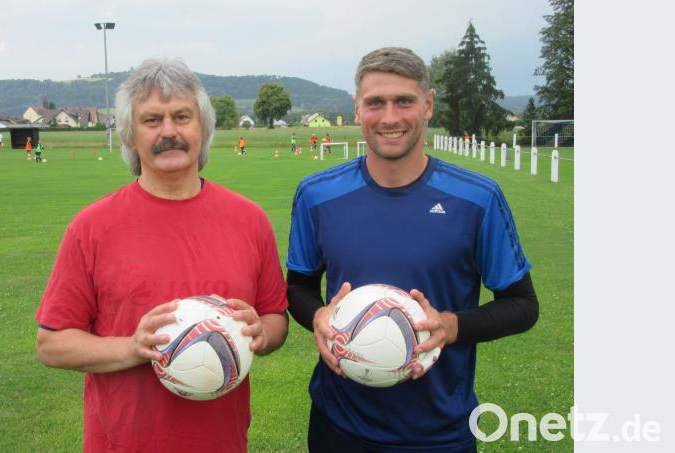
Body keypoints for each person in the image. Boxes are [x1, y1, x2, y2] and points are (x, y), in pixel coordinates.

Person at [286, 47, 538, 452]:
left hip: (439, 433)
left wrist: (451, 327)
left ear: (428, 105)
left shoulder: (478, 199)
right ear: (356, 109)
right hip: (338, 426)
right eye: (375, 103)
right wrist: (317, 314)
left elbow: (523, 305)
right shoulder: (317, 195)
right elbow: (297, 287)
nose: (389, 117)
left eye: (404, 100)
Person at [35, 58, 289, 453]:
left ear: (202, 128)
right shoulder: (92, 227)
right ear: (130, 136)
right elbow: (51, 344)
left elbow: (276, 319)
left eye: (182, 116)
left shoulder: (249, 220)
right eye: (152, 120)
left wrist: (262, 332)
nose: (169, 131)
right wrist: (131, 348)